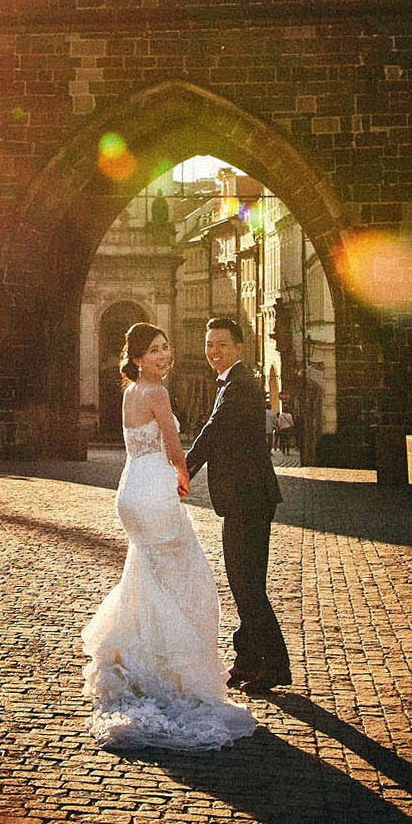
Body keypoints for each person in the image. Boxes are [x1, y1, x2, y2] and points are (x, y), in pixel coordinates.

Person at [80, 321, 258, 751]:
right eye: (155, 350)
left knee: (148, 576)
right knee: (186, 578)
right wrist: (182, 477)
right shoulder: (156, 392)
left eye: (166, 348)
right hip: (155, 491)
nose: (164, 356)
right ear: (138, 357)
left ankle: (141, 663)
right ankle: (172, 672)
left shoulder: (128, 391)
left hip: (131, 490)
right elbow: (176, 449)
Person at [186, 317, 292, 691]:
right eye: (209, 344)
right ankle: (247, 659)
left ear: (239, 347)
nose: (214, 351)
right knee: (247, 582)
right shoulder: (235, 381)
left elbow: (213, 431)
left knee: (245, 583)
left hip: (248, 497)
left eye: (222, 345)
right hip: (250, 496)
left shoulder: (239, 384)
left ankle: (275, 666)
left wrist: (184, 471)